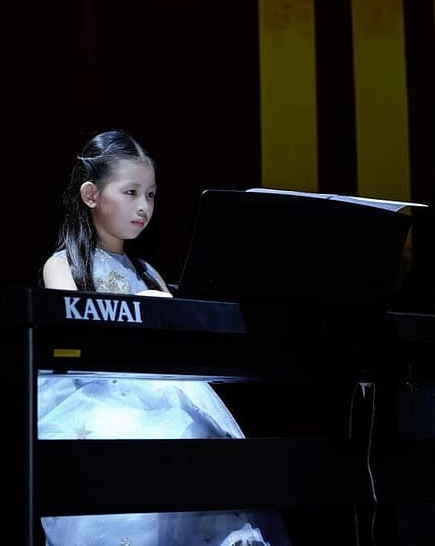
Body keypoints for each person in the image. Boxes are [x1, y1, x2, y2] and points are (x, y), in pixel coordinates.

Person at [38, 129, 288, 546]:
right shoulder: (63, 265)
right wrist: (142, 307)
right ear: (91, 194)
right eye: (131, 192)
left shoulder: (149, 272)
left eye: (151, 195)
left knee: (202, 440)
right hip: (94, 390)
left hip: (156, 385)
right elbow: (74, 332)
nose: (143, 206)